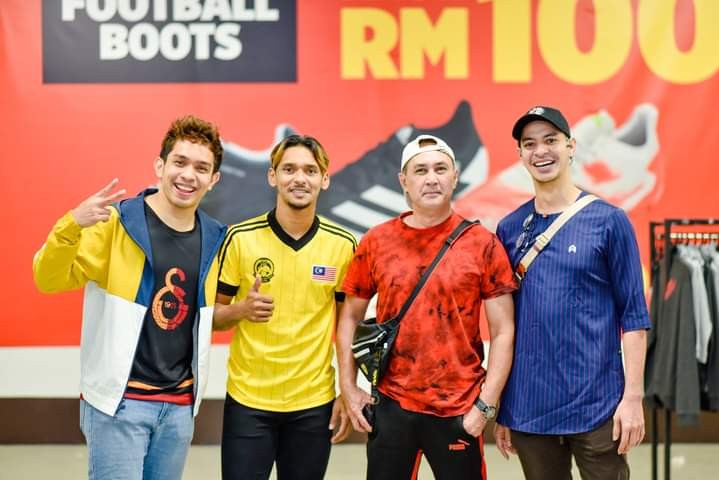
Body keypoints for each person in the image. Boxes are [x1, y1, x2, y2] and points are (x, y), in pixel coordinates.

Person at [32, 115, 226, 479]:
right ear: (160, 166)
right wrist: (71, 225)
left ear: (213, 179)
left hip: (179, 408)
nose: (188, 175)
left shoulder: (216, 238)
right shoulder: (117, 224)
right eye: (179, 162)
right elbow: (48, 278)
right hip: (119, 405)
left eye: (201, 168)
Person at [337, 134, 516, 479]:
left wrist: (485, 405)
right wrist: (348, 387)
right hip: (391, 404)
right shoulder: (377, 241)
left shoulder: (482, 244)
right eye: (420, 170)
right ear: (403, 180)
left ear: (455, 176)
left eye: (440, 169)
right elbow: (349, 317)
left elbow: (503, 330)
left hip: (459, 408)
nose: (431, 178)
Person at [493, 106, 651, 479]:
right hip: (529, 407)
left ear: (571, 146)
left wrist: (633, 398)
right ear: (520, 155)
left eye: (550, 140)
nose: (540, 151)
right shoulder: (509, 228)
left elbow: (634, 318)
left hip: (598, 406)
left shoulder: (610, 221)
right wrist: (503, 407)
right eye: (529, 144)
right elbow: (505, 326)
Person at [213, 134, 356, 479]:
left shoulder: (343, 245)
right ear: (272, 176)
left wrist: (347, 391)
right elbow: (212, 318)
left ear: (324, 179)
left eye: (310, 170)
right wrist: (240, 310)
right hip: (249, 401)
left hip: (313, 404)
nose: (299, 178)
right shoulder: (240, 238)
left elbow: (347, 327)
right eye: (289, 169)